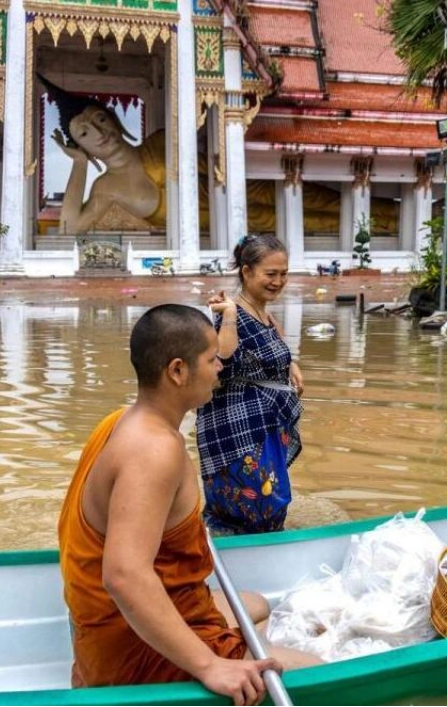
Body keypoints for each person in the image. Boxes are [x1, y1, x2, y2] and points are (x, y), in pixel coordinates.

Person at [58, 304, 318, 705]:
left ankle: (234, 645)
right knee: (319, 668)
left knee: (257, 604)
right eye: (212, 359)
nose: (220, 368)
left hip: (106, 633)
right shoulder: (154, 450)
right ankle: (210, 659)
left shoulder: (120, 420)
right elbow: (124, 575)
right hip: (130, 657)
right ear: (178, 371)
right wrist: (209, 666)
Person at [196, 235, 304, 535]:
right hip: (237, 429)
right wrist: (229, 315)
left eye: (283, 273)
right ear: (246, 272)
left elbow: (273, 348)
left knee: (272, 496)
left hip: (265, 425)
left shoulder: (263, 313)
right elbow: (221, 362)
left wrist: (290, 364)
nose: (278, 281)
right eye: (270, 274)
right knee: (253, 500)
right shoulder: (229, 312)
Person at [39, 74, 209, 233]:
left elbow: (215, 172)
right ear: (83, 147)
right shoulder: (106, 187)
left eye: (101, 119)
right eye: (84, 134)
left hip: (222, 225)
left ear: (114, 119)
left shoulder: (159, 142)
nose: (99, 133)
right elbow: (69, 230)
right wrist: (79, 163)